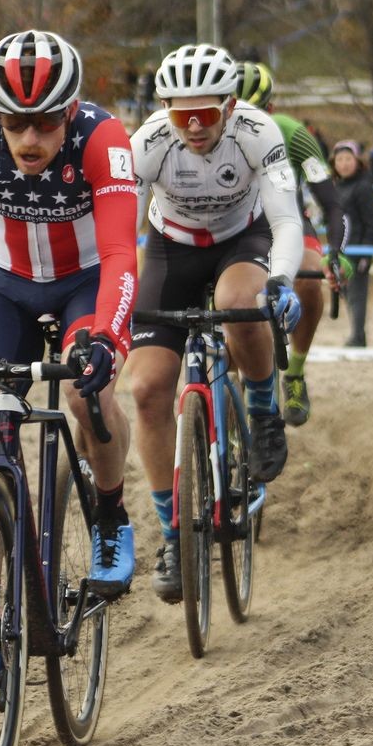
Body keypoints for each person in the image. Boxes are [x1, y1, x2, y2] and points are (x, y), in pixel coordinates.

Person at [0, 29, 138, 623]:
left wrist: (107, 336)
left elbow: (121, 253)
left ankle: (109, 514)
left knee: (90, 398)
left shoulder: (102, 138)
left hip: (85, 283)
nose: (29, 139)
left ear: (71, 112)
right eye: (14, 122)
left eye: (47, 123)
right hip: (5, 285)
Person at [128, 44, 303, 604]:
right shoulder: (150, 143)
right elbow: (118, 234)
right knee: (148, 386)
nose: (196, 125)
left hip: (242, 239)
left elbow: (285, 218)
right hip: (170, 249)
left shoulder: (258, 131)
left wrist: (281, 280)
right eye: (182, 114)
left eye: (208, 112)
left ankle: (261, 407)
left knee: (240, 303)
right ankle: (173, 534)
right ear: (164, 108)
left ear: (231, 105)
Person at [235, 62, 350, 428]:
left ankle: (295, 373)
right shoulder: (212, 134)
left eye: (258, 112)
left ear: (271, 109)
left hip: (291, 221)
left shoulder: (294, 133)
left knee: (311, 275)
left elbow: (331, 203)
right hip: (236, 228)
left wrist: (336, 252)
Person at [330, 140, 373, 347]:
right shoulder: (335, 188)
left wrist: (365, 255)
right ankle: (356, 332)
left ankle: (358, 336)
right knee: (346, 293)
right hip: (340, 251)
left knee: (357, 295)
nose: (344, 164)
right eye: (340, 160)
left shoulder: (363, 187)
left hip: (357, 251)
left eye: (348, 159)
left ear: (357, 161)